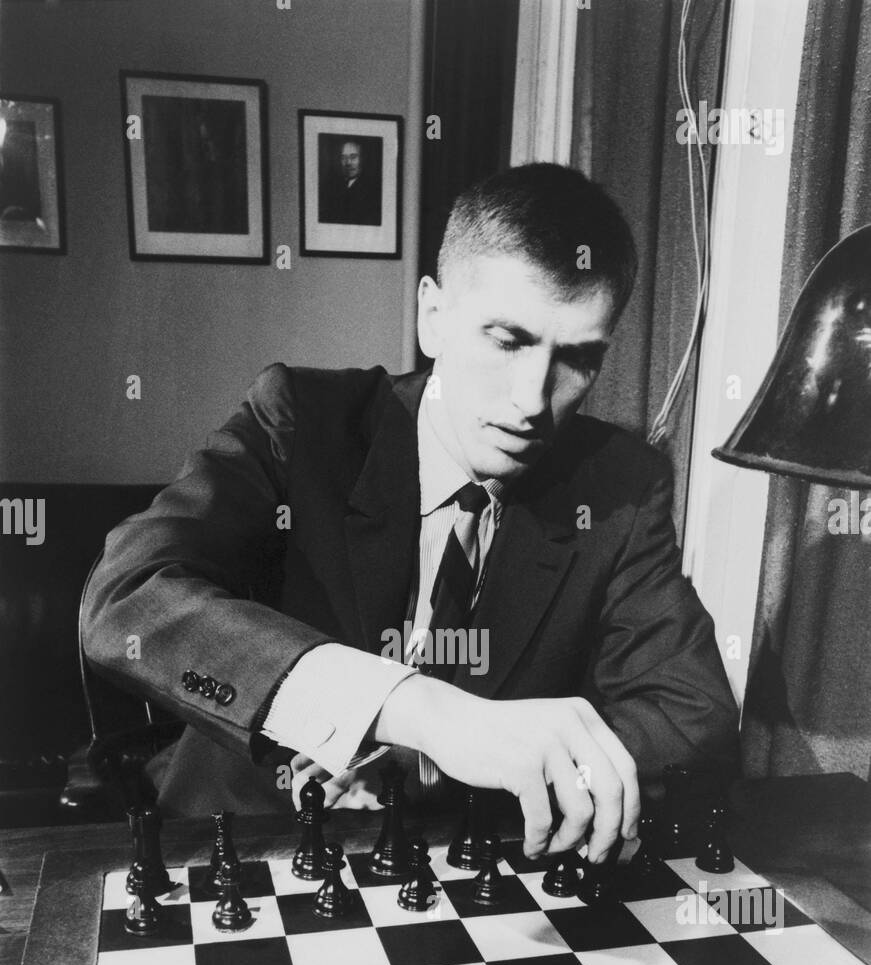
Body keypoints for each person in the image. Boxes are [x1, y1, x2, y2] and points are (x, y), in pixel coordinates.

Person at [82, 163, 738, 861]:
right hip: (244, 840)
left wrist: (435, 759)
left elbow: (689, 711)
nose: (530, 398)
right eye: (506, 340)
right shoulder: (300, 420)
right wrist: (420, 714)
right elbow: (128, 600)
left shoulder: (617, 485)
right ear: (432, 316)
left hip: (458, 860)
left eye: (577, 359)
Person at [319, 138, 381, 226]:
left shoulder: (373, 189)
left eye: (353, 157)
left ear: (362, 159)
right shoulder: (331, 187)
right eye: (343, 157)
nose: (348, 162)